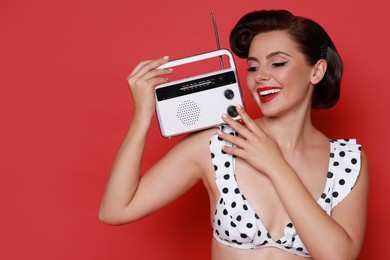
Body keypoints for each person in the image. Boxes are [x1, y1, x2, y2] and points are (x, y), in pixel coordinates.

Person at [99, 9, 369, 259]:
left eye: (277, 63)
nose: (260, 76)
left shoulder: (346, 161)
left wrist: (276, 166)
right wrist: (142, 117)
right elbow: (115, 210)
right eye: (252, 67)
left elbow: (338, 256)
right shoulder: (218, 144)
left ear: (317, 71)